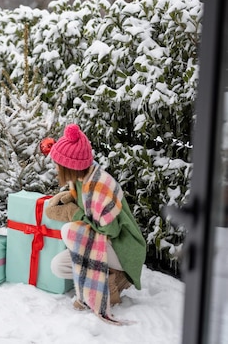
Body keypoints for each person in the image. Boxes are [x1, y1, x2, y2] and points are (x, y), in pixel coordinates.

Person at [44, 124, 146, 324]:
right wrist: (69, 199)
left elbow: (111, 229)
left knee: (69, 230)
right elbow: (86, 208)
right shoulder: (80, 180)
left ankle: (119, 278)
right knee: (58, 266)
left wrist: (74, 214)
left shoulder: (98, 185)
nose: (56, 167)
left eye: (58, 163)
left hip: (123, 247)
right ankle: (110, 276)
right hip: (106, 245)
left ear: (69, 165)